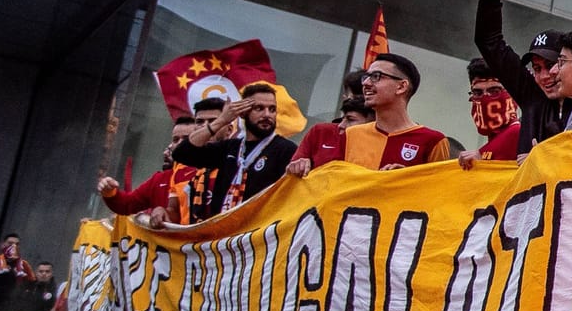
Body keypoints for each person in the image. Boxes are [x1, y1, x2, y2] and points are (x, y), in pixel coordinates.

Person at [472, 0, 572, 156]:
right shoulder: (531, 96)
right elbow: (488, 40)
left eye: (550, 65)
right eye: (537, 69)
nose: (544, 76)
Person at [286, 54, 448, 175]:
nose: (366, 83)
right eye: (367, 77)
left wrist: (405, 181)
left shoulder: (432, 141)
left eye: (376, 77)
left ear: (401, 87)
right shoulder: (351, 134)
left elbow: (437, 196)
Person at [170, 82, 298, 216]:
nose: (267, 115)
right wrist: (222, 120)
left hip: (258, 232)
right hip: (224, 232)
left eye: (272, 109)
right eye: (259, 108)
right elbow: (182, 153)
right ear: (242, 113)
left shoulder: (286, 150)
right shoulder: (230, 147)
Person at [97, 115, 203, 227]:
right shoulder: (159, 180)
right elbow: (126, 204)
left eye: (186, 139)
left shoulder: (211, 173)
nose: (180, 143)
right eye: (176, 139)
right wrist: (109, 192)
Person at [457, 57, 523, 168]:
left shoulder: (518, 133)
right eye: (478, 92)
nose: (486, 99)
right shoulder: (493, 142)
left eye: (494, 91)